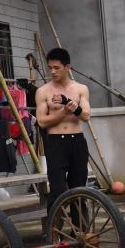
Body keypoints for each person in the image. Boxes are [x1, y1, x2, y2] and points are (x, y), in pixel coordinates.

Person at [36, 47, 91, 210]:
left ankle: (80, 231)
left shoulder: (81, 89)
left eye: (56, 68)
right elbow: (42, 122)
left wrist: (75, 109)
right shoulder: (43, 91)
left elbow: (86, 116)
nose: (52, 72)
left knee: (79, 190)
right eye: (50, 68)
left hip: (77, 141)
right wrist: (64, 111)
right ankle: (54, 234)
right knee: (57, 191)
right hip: (55, 143)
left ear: (68, 67)